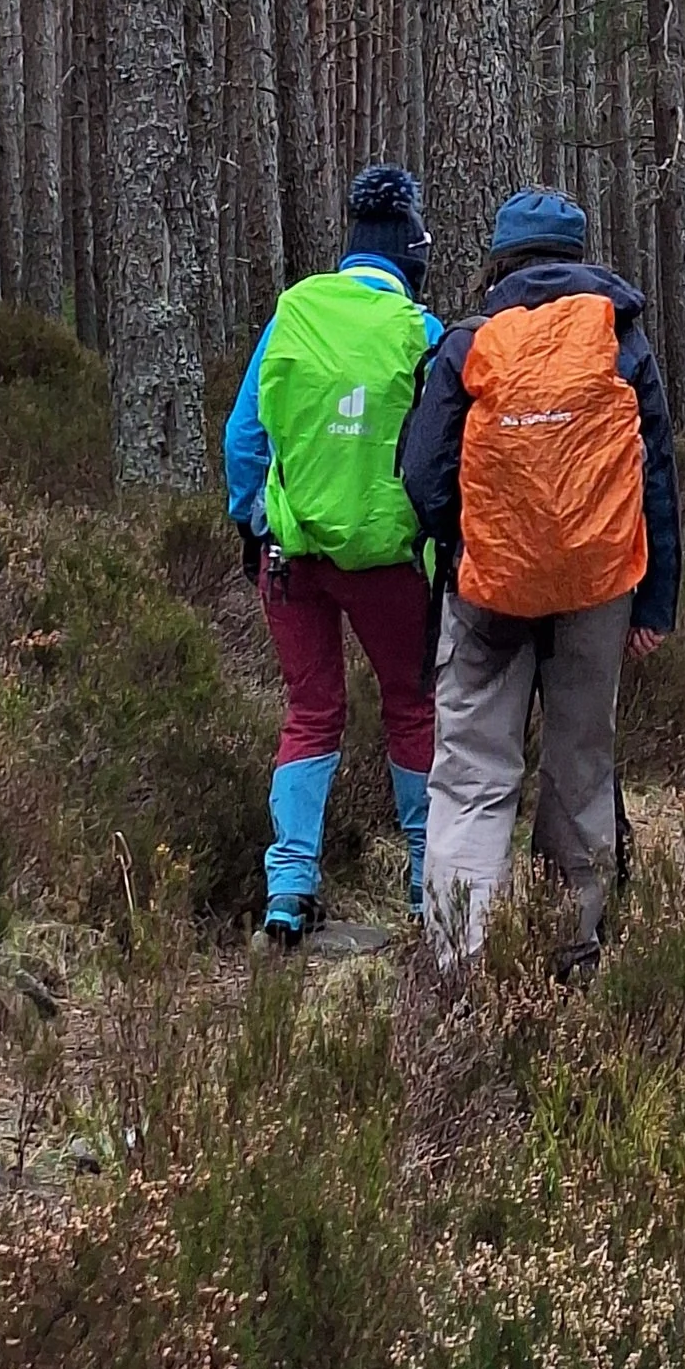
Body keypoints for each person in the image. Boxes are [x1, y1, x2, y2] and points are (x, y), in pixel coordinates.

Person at [397, 187, 680, 973]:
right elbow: (656, 473)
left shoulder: (467, 341)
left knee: (471, 775)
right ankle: (571, 950)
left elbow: (422, 476)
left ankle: (459, 956)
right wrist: (654, 601)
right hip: (597, 588)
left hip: (485, 593)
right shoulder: (620, 337)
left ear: (500, 258)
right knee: (581, 767)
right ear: (578, 255)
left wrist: (472, 541)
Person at [222, 164, 442, 948]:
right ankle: (426, 885)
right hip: (387, 564)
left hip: (293, 556)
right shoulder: (422, 331)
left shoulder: (293, 314)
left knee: (311, 713)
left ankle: (288, 891)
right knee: (413, 708)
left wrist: (252, 528)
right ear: (409, 251)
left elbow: (243, 439)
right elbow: (443, 456)